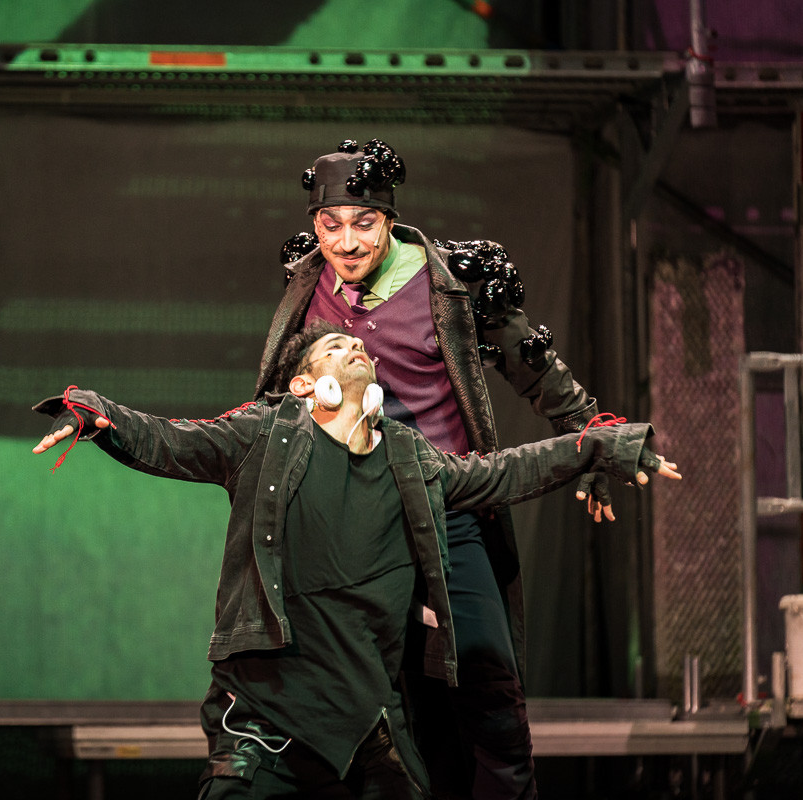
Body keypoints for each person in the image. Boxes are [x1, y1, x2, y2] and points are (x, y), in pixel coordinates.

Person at [33, 322, 680, 800]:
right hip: (267, 720)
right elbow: (172, 441)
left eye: (360, 347)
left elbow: (505, 471)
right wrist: (96, 413)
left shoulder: (409, 456)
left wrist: (607, 445)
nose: (356, 349)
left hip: (369, 726)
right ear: (304, 384)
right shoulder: (262, 433)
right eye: (336, 348)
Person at [256, 139, 617, 799]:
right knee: (397, 712)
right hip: (359, 529)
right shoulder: (306, 284)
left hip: (452, 512)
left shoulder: (451, 283)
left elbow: (537, 370)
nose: (346, 242)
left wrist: (593, 441)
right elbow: (282, 396)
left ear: (390, 218)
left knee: (488, 693)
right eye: (331, 225)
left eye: (363, 223)